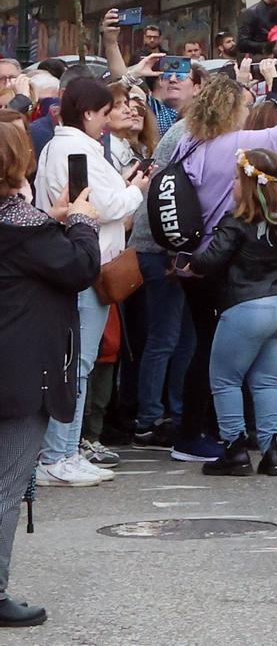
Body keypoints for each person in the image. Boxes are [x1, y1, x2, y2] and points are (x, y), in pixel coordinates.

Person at [158, 57, 277, 466]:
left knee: (206, 347)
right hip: (223, 259)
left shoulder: (187, 143)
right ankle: (205, 434)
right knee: (221, 359)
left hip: (193, 255)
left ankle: (216, 433)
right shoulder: (234, 145)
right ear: (233, 113)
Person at [0, 120, 100, 629]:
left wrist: (54, 218)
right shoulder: (24, 226)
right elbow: (80, 268)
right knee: (6, 485)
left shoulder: (24, 223)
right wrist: (80, 221)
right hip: (19, 374)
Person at [33, 76, 146, 486]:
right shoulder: (75, 148)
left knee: (77, 363)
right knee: (76, 364)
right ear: (88, 113)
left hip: (83, 264)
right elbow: (105, 205)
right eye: (103, 113)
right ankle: (58, 455)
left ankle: (65, 451)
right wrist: (136, 189)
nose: (107, 121)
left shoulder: (57, 146)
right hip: (86, 267)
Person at [184, 147, 277, 477]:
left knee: (226, 380)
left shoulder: (237, 222)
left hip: (247, 307)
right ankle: (272, 452)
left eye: (234, 179)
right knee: (267, 382)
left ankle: (234, 451)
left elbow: (209, 261)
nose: (231, 184)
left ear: (248, 185)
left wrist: (186, 260)